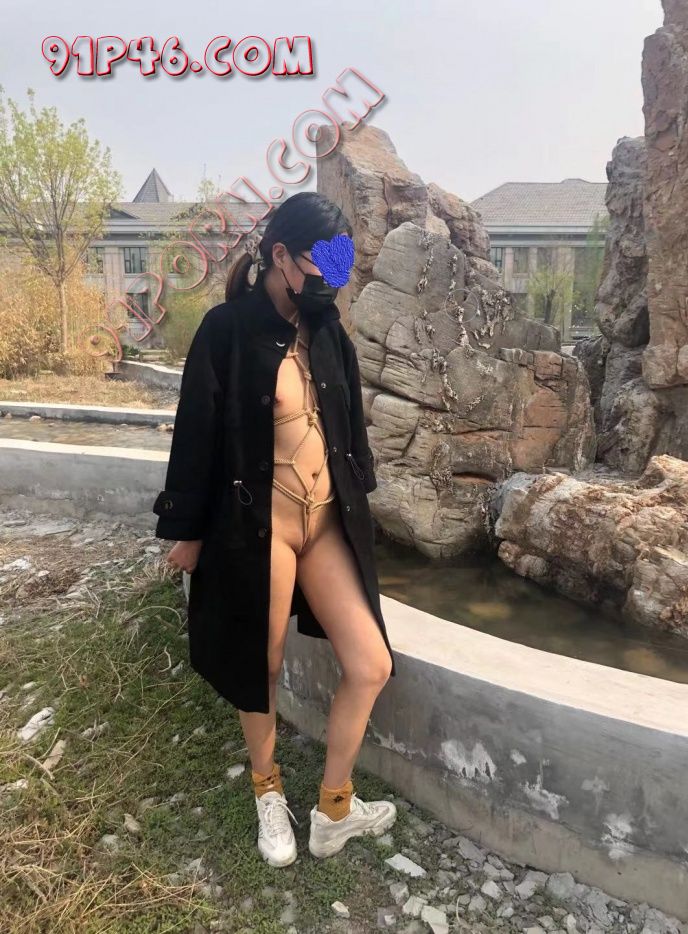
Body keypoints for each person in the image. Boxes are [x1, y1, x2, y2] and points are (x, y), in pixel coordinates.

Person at [155, 192, 397, 867]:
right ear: (281, 256)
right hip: (260, 526)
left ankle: (334, 809)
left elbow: (349, 429)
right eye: (323, 265)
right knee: (259, 663)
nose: (331, 281)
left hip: (325, 525)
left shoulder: (329, 333)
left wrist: (362, 503)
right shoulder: (226, 330)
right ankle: (268, 790)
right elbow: (196, 433)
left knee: (371, 664)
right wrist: (188, 530)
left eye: (340, 267)